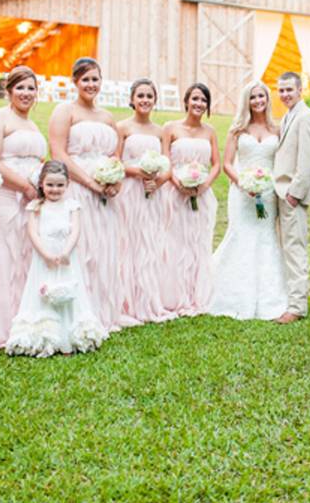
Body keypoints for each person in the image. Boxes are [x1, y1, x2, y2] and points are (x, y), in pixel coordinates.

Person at [48, 57, 138, 332]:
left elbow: (114, 156)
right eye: (85, 79)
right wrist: (90, 183)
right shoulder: (65, 111)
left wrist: (115, 181)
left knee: (105, 249)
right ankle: (78, 311)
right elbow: (59, 153)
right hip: (78, 188)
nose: (91, 84)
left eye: (95, 79)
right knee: (83, 247)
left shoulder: (107, 117)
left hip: (106, 194)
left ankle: (104, 310)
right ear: (75, 82)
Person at [5, 161, 107, 357]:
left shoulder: (72, 205)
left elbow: (75, 230)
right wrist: (46, 255)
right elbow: (33, 232)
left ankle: (70, 335)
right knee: (44, 288)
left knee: (69, 288)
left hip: (66, 255)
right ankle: (45, 334)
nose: (55, 189)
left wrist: (66, 252)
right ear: (41, 184)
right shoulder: (36, 206)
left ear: (67, 184)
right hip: (45, 256)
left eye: (60, 185)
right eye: (50, 185)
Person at [0, 66, 47, 348]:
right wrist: (25, 186)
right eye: (20, 87)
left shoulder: (32, 126)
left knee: (24, 257)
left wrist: (41, 186)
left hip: (30, 200)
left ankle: (24, 319)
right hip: (3, 196)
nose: (26, 93)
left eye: (31, 88)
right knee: (1, 258)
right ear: (8, 91)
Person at [209, 80, 289, 320]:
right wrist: (244, 184)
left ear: (267, 99)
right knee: (241, 235)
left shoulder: (277, 130)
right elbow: (226, 164)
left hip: (268, 192)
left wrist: (268, 185)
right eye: (253, 97)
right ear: (247, 101)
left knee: (266, 238)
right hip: (242, 193)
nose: (257, 101)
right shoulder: (238, 130)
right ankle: (233, 293)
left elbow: (282, 161)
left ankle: (269, 295)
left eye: (261, 96)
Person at [115, 78, 177, 323]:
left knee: (149, 242)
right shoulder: (122, 128)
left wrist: (158, 181)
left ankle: (148, 298)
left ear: (155, 101)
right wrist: (137, 172)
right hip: (129, 191)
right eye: (140, 96)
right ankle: (125, 300)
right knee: (127, 242)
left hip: (152, 193)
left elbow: (168, 166)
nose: (144, 100)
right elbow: (116, 161)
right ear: (131, 99)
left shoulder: (160, 131)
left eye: (149, 96)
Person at [161, 83, 221, 316]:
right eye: (195, 99)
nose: (199, 104)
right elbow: (165, 161)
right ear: (186, 101)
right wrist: (180, 185)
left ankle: (197, 292)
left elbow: (216, 163)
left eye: (203, 100)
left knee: (198, 240)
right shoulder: (170, 128)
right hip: (175, 193)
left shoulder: (210, 131)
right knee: (175, 241)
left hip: (201, 195)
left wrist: (203, 185)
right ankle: (174, 293)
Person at [271, 72, 310, 324]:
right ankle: (287, 298)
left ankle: (297, 307)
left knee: (295, 249)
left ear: (300, 90)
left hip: (292, 195)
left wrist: (295, 193)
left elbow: (308, 159)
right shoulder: (288, 116)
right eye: (281, 90)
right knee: (285, 247)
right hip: (280, 192)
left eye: (289, 90)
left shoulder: (307, 117)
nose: (284, 95)